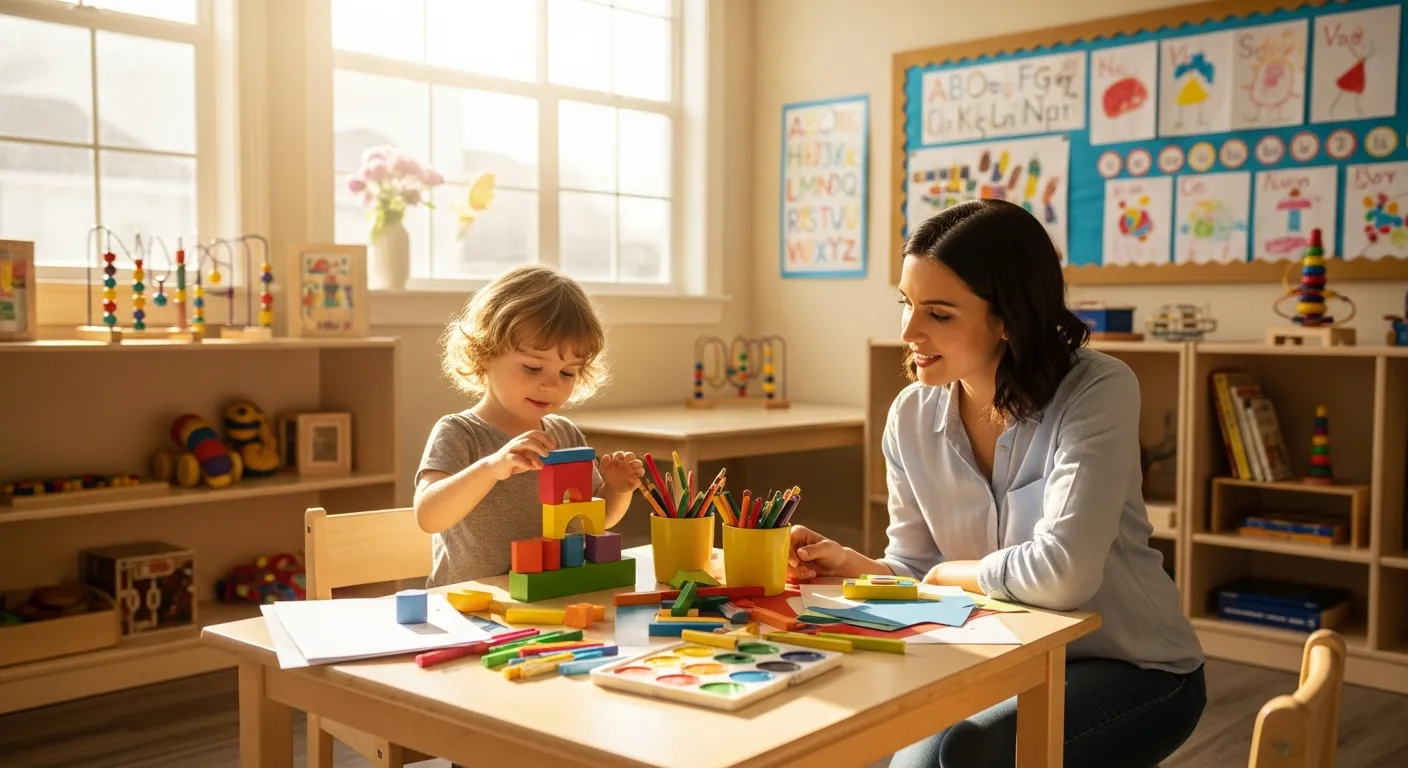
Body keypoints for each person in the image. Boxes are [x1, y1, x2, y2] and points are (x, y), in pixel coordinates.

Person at [787, 200, 1206, 768]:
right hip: (1002, 657)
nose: (909, 330)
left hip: (1132, 667)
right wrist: (854, 565)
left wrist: (946, 575)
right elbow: (918, 569)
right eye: (906, 304)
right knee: (896, 753)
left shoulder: (1097, 389)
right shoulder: (910, 415)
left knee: (962, 755)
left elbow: (1065, 575)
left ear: (1008, 316)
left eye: (938, 313)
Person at [414, 264, 645, 587]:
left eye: (567, 373)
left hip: (553, 597)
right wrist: (491, 468)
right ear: (485, 353)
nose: (550, 385)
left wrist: (616, 490)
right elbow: (428, 516)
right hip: (474, 608)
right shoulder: (459, 432)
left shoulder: (564, 434)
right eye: (533, 368)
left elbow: (593, 521)